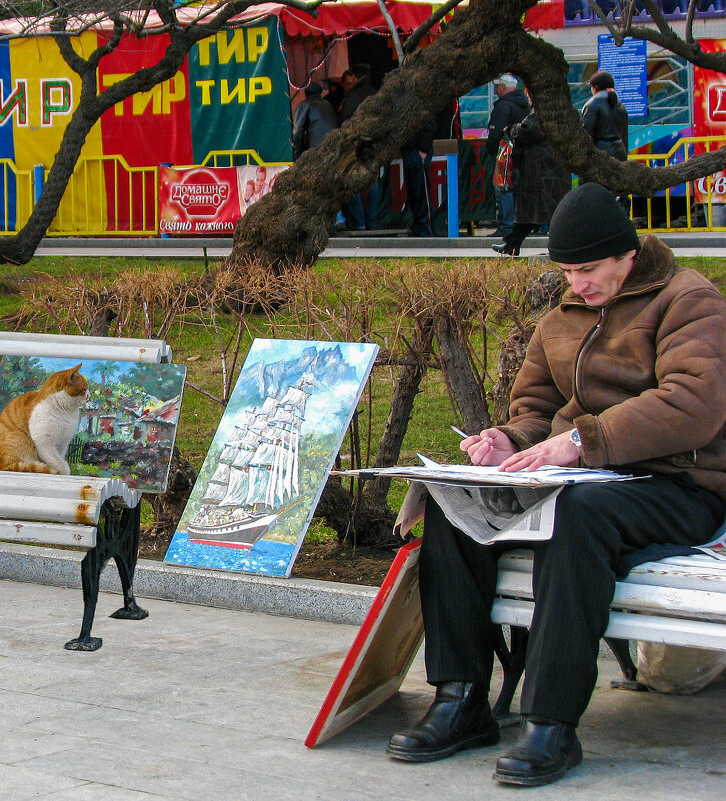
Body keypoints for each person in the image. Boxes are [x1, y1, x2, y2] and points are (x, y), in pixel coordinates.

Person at [387, 183, 726, 787]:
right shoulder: (563, 318)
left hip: (681, 486)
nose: (578, 284)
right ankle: (460, 698)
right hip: (583, 477)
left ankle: (549, 722)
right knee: (453, 505)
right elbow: (536, 408)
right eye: (568, 271)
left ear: (627, 255)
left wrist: (581, 442)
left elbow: (694, 404)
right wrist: (509, 442)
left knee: (577, 514)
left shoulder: (689, 301)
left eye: (590, 269)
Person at [491, 107, 571, 256]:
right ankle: (511, 244)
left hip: (541, 169)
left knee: (543, 211)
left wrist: (511, 129)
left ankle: (557, 249)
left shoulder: (544, 109)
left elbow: (527, 130)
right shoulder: (563, 111)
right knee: (533, 213)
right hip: (553, 168)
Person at [486, 74, 531, 237]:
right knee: (520, 190)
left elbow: (496, 134)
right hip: (524, 154)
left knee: (504, 188)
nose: (497, 89)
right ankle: (519, 226)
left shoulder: (503, 106)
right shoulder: (525, 105)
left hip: (506, 155)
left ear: (504, 87)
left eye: (498, 86)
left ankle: (506, 226)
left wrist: (491, 150)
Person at [338, 64, 379, 231]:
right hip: (374, 145)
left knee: (353, 184)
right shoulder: (375, 93)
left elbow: (343, 120)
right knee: (373, 185)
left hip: (356, 146)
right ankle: (372, 221)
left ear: (355, 77)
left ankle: (359, 222)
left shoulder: (353, 96)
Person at [581, 70, 629, 162]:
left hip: (600, 155)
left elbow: (586, 133)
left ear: (595, 87)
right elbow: (624, 135)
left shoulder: (592, 105)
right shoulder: (620, 106)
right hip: (620, 153)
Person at [292, 83, 337, 159]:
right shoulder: (328, 105)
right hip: (333, 148)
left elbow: (298, 130)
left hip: (315, 150)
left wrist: (297, 154)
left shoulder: (304, 105)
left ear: (305, 93)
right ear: (320, 93)